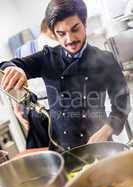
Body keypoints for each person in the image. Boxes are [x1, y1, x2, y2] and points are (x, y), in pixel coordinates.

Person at [0, 0, 130, 151]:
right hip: (61, 149)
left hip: (100, 144)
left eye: (75, 29)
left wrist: (106, 130)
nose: (70, 40)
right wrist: (14, 69)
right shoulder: (47, 58)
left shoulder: (105, 58)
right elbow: (5, 64)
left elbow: (122, 102)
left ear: (84, 23)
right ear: (54, 33)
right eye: (61, 34)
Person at [13, 18, 58, 133]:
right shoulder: (57, 47)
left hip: (35, 112)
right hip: (59, 110)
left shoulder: (20, 51)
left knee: (45, 150)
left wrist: (17, 110)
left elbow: (14, 81)